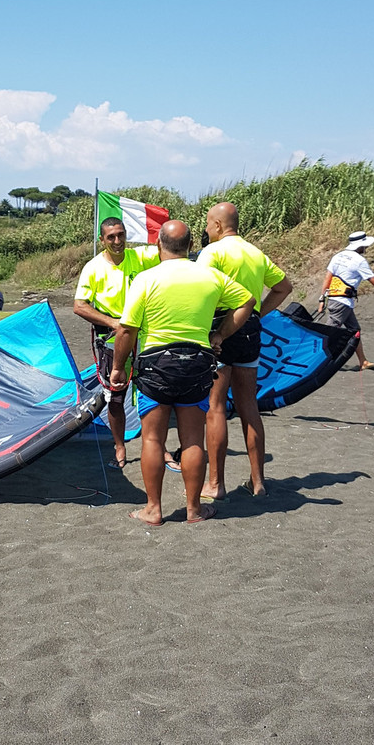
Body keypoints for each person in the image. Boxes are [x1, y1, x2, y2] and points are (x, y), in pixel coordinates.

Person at [110, 221, 255, 526]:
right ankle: (194, 509)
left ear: (159, 245)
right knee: (192, 440)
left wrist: (118, 367)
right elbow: (247, 301)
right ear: (191, 247)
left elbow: (127, 329)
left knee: (152, 439)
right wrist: (220, 336)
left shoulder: (147, 279)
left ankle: (153, 509)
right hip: (197, 364)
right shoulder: (211, 275)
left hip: (155, 365)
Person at [195, 202, 292, 499]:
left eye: (209, 224)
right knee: (249, 404)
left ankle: (216, 484)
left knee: (216, 407)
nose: (207, 229)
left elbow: (197, 288)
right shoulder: (255, 253)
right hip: (250, 329)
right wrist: (257, 315)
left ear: (219, 226)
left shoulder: (213, 251)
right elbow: (284, 287)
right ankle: (258, 481)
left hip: (220, 328)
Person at [73, 217, 161, 469]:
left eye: (121, 235)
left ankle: (156, 446)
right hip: (111, 339)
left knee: (152, 392)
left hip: (143, 335)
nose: (117, 241)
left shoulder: (140, 257)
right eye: (111, 237)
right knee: (115, 396)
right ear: (102, 240)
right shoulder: (93, 267)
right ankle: (119, 446)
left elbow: (169, 250)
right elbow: (79, 306)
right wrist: (112, 323)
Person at [319, 230, 374, 370]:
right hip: (342, 303)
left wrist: (322, 299)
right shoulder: (359, 261)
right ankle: (316, 363)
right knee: (330, 333)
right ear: (360, 245)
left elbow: (328, 278)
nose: (366, 248)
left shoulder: (337, 256)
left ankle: (363, 361)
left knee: (354, 330)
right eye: (365, 246)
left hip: (338, 300)